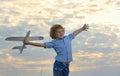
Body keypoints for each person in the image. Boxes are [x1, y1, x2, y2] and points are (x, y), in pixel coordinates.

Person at [23, 24, 89, 76]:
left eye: (62, 31)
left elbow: (75, 33)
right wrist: (28, 43)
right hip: (59, 64)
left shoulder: (68, 38)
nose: (61, 33)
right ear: (54, 34)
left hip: (67, 65)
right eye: (58, 32)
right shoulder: (54, 42)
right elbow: (42, 45)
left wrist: (82, 28)